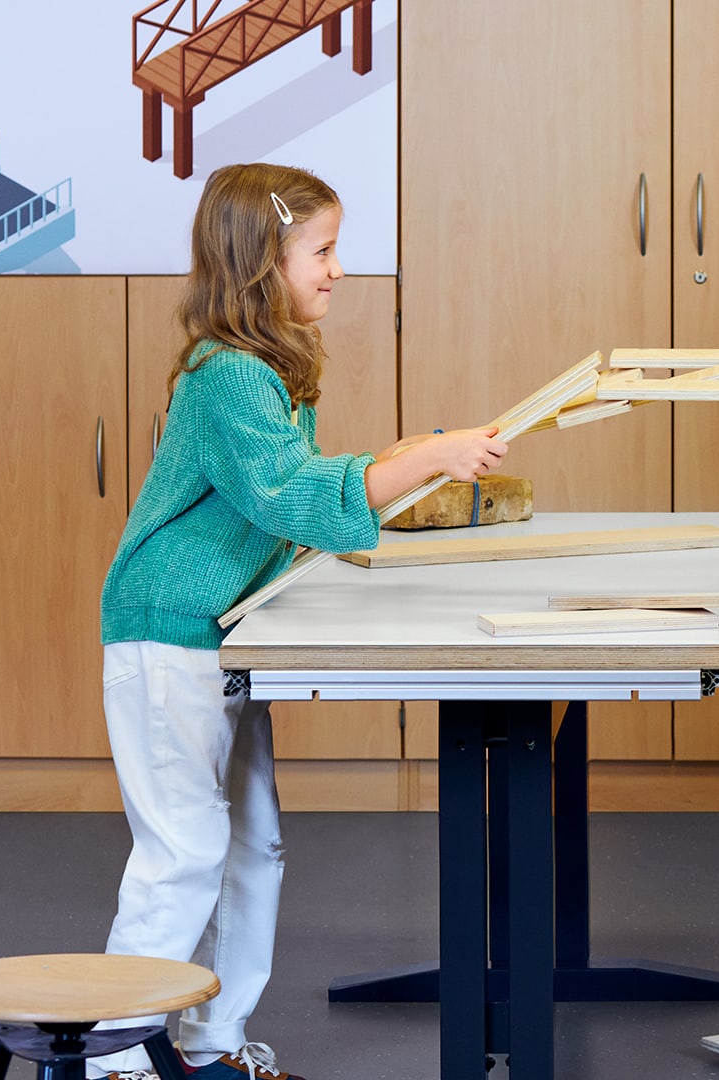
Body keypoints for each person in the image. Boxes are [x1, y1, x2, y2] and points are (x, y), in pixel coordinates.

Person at [89, 163, 507, 1079]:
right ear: (260, 264)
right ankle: (116, 1059)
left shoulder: (267, 372)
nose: (338, 271)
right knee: (184, 851)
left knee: (252, 847)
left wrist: (397, 466)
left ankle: (210, 1044)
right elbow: (294, 493)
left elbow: (286, 498)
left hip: (220, 633)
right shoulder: (229, 375)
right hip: (168, 634)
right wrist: (430, 454)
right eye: (322, 251)